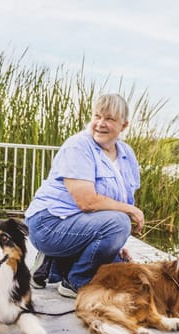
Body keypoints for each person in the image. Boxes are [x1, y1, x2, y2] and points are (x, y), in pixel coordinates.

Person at [24, 93, 144, 298]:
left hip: (79, 224)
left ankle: (51, 263)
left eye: (109, 118)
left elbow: (120, 201)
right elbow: (87, 202)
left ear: (124, 125)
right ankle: (75, 281)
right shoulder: (78, 146)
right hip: (49, 223)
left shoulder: (126, 153)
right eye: (97, 116)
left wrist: (117, 244)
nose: (100, 124)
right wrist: (129, 213)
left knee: (121, 269)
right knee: (120, 223)